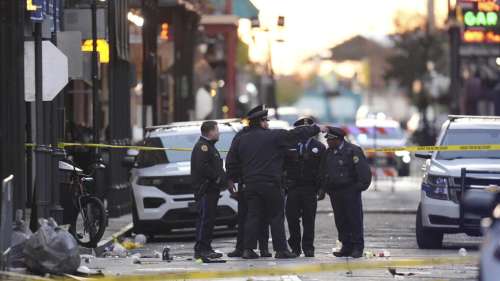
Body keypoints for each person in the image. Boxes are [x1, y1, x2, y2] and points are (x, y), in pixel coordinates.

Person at [226, 105, 327, 259]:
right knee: (276, 216)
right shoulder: (272, 136)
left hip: (250, 184)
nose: (267, 123)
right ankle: (281, 250)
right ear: (260, 122)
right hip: (270, 184)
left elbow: (232, 161)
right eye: (265, 120)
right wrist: (316, 128)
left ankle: (248, 249)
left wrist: (232, 178)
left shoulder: (241, 139)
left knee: (253, 216)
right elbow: (295, 134)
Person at [318, 127, 372, 258]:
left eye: (330, 140)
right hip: (335, 192)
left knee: (354, 219)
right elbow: (323, 171)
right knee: (340, 220)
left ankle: (357, 247)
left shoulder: (353, 150)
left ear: (338, 139)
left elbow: (363, 171)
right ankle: (346, 246)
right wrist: (324, 189)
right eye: (328, 140)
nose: (328, 142)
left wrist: (359, 187)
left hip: (350, 191)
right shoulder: (328, 153)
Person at [284, 117, 326, 257]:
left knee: (309, 219)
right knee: (292, 218)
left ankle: (308, 247)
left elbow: (322, 170)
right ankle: (295, 246)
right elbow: (283, 166)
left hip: (309, 188)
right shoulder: (290, 146)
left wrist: (321, 188)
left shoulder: (319, 147)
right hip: (293, 187)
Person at [226, 127, 271, 258]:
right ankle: (244, 248)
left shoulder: (260, 135)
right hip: (247, 182)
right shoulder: (242, 136)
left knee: (259, 217)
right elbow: (231, 160)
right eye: (264, 120)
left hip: (252, 182)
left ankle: (262, 248)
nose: (265, 124)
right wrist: (231, 179)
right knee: (247, 217)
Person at [191, 121, 228, 260]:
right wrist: (217, 178)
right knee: (205, 219)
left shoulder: (209, 146)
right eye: (217, 130)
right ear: (210, 132)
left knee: (209, 220)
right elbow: (203, 167)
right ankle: (201, 249)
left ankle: (207, 247)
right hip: (206, 190)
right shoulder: (203, 147)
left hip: (212, 189)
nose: (218, 133)